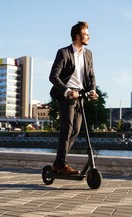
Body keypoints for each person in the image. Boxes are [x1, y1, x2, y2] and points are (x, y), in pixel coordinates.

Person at [49, 21, 98, 175]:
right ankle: (62, 164)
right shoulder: (64, 53)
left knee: (76, 130)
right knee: (67, 129)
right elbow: (53, 76)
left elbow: (91, 75)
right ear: (78, 36)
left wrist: (92, 90)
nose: (89, 36)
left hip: (81, 95)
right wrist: (67, 91)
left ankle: (58, 162)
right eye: (86, 34)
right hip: (67, 95)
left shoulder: (88, 54)